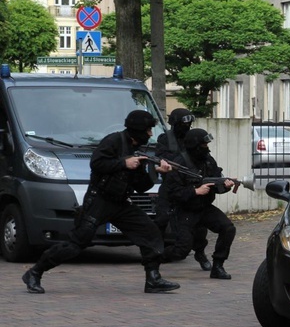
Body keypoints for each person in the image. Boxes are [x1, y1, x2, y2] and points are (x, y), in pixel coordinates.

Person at [22, 110, 181, 294]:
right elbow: (97, 164)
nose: (150, 134)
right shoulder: (113, 141)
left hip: (120, 203)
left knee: (150, 232)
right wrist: (124, 163)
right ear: (137, 129)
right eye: (148, 130)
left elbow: (142, 186)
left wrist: (157, 172)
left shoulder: (137, 150)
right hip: (99, 201)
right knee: (75, 244)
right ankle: (35, 272)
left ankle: (153, 279)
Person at [162, 128, 236, 280]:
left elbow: (217, 183)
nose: (207, 147)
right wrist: (195, 191)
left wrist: (226, 185)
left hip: (204, 207)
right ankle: (154, 257)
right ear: (195, 146)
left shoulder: (208, 161)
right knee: (181, 251)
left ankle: (218, 266)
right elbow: (172, 193)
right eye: (203, 145)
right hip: (184, 211)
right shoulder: (179, 163)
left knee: (228, 228)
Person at [154, 108, 212, 271]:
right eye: (184, 123)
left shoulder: (193, 137)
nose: (188, 127)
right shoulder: (166, 139)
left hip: (190, 185)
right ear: (175, 123)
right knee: (161, 219)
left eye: (189, 123)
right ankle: (155, 252)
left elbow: (205, 156)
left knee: (199, 224)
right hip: (170, 185)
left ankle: (200, 253)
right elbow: (160, 157)